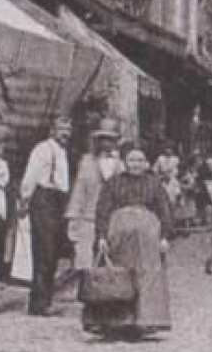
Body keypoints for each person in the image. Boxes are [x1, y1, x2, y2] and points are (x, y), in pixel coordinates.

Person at [84, 144, 174, 340]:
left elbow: (165, 211)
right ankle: (114, 323)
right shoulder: (113, 183)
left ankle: (145, 321)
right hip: (118, 236)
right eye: (132, 160)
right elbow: (103, 210)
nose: (136, 164)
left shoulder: (155, 184)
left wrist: (165, 236)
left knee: (146, 275)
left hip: (148, 239)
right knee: (118, 274)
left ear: (147, 163)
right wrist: (101, 236)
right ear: (125, 162)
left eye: (140, 160)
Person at [19, 117, 72, 317]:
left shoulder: (63, 151)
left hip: (58, 200)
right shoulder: (42, 149)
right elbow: (30, 176)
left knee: (54, 252)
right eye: (61, 129)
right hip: (43, 199)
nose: (66, 133)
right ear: (52, 130)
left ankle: (46, 299)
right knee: (44, 251)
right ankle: (38, 303)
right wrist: (25, 200)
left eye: (68, 129)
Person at [67, 119, 122, 271]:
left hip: (112, 217)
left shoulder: (120, 165)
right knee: (85, 258)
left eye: (110, 139)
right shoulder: (86, 161)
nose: (106, 143)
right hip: (88, 216)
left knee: (112, 258)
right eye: (103, 139)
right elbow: (79, 190)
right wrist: (73, 218)